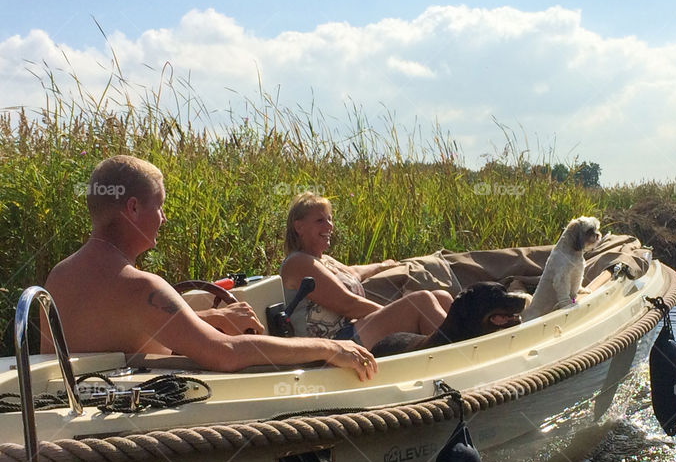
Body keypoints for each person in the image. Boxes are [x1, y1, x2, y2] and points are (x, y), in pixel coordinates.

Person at [40, 155, 377, 379]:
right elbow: (226, 353)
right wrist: (332, 347)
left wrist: (208, 318)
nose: (163, 218)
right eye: (159, 207)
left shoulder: (59, 277)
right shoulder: (141, 287)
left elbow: (120, 333)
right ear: (132, 208)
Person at [280, 192, 453, 349]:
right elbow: (349, 305)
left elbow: (354, 272)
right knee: (421, 302)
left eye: (330, 219)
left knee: (441, 297)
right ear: (299, 227)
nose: (330, 226)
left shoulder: (324, 260)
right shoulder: (299, 262)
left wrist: (382, 266)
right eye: (320, 220)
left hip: (353, 330)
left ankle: (466, 344)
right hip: (332, 344)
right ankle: (457, 355)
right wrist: (395, 314)